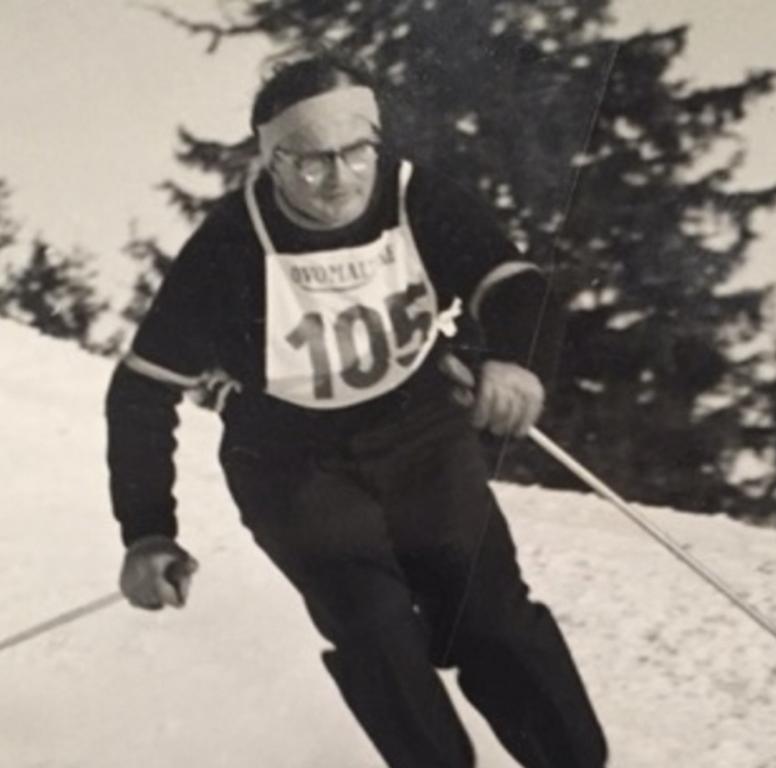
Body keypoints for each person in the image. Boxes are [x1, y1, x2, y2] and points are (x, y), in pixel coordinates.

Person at [105, 54, 608, 768]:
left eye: (355, 152)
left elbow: (514, 282)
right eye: (309, 162)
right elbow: (140, 391)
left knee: (488, 616)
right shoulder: (228, 247)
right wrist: (148, 532)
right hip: (291, 465)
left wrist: (520, 359)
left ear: (377, 142)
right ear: (272, 162)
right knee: (377, 633)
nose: (339, 179)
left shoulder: (414, 197)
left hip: (420, 433)